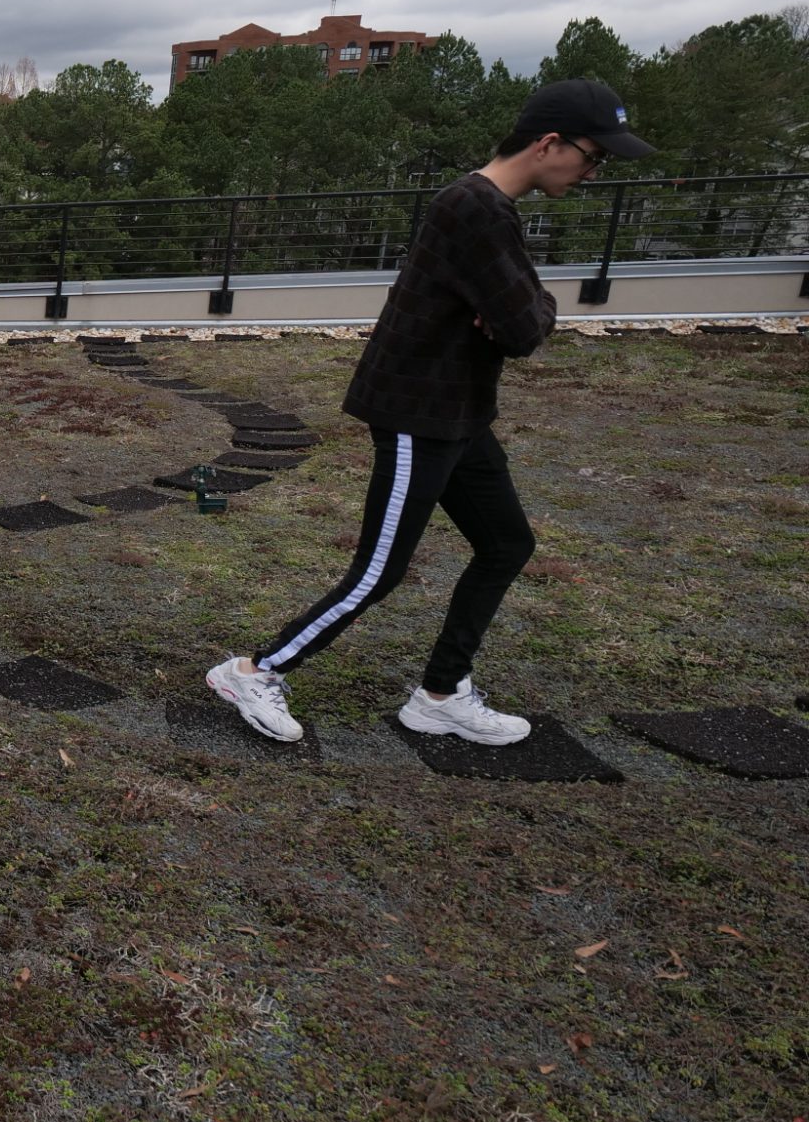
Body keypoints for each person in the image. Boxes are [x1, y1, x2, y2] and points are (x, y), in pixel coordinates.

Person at [206, 79, 656, 745]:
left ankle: (441, 694)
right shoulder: (475, 210)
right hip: (420, 413)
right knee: (381, 568)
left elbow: (527, 314)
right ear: (549, 143)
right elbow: (527, 327)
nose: (594, 171)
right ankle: (254, 670)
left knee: (507, 544)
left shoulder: (489, 207)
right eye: (594, 156)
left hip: (460, 413)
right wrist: (519, 311)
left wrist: (520, 309)